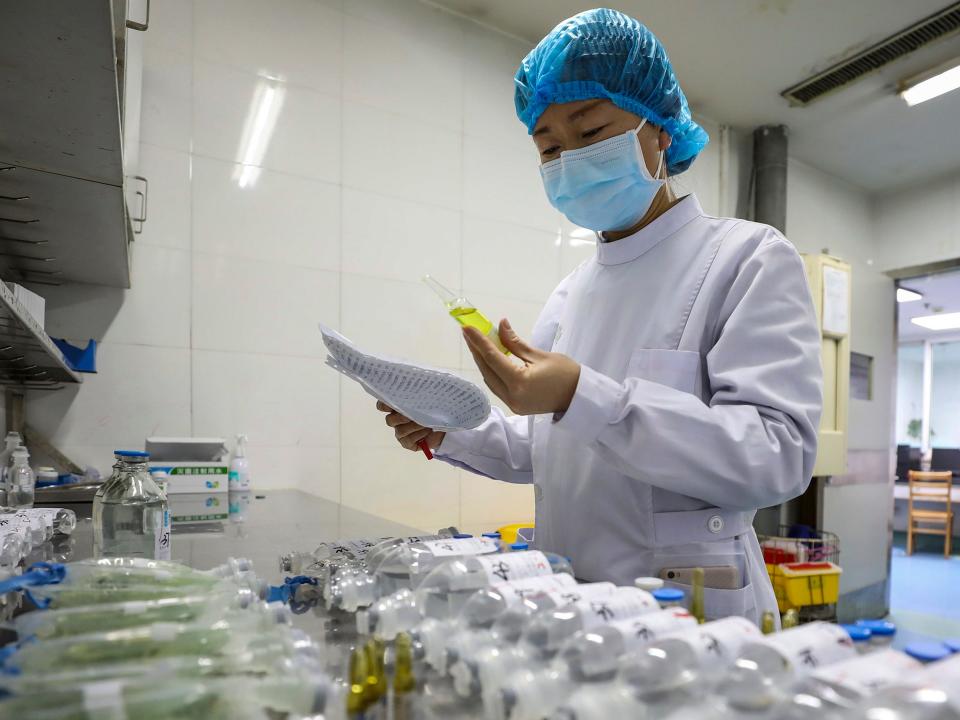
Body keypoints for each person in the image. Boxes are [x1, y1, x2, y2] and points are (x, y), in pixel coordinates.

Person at [377, 8, 822, 625]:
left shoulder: (746, 258)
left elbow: (777, 457)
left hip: (690, 611)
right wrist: (447, 431)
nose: (571, 161)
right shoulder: (573, 291)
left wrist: (583, 394)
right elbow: (558, 451)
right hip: (572, 604)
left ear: (660, 129)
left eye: (590, 134)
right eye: (551, 146)